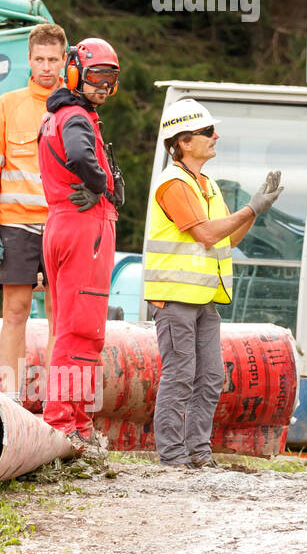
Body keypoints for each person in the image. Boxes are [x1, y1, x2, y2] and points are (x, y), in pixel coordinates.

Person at [145, 98, 283, 468]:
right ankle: (173, 456)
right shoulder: (173, 184)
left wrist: (256, 211)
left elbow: (229, 240)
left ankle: (199, 453)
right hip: (173, 299)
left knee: (209, 377)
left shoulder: (207, 184)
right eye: (207, 132)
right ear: (184, 141)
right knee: (180, 375)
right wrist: (251, 208)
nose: (215, 135)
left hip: (203, 300)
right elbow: (206, 234)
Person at [37, 37, 124, 448]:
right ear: (76, 74)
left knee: (71, 328)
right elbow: (78, 154)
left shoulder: (61, 113)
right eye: (96, 77)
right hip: (84, 226)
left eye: (110, 78)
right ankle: (66, 424)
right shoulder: (75, 116)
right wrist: (102, 184)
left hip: (63, 223)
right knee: (82, 331)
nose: (103, 86)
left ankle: (73, 421)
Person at [0, 23, 66, 404]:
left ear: (63, 60)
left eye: (52, 59)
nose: (46, 67)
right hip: (15, 223)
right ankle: (9, 400)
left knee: (60, 312)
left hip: (61, 224)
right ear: (29, 59)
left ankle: (58, 399)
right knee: (16, 309)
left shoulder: (74, 106)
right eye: (39, 59)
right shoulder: (9, 104)